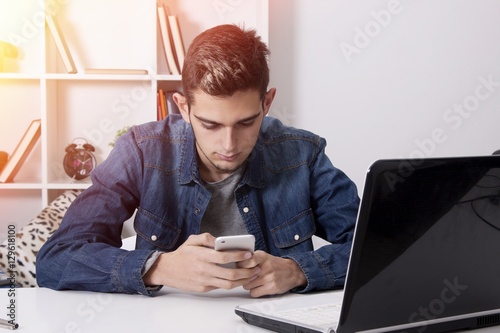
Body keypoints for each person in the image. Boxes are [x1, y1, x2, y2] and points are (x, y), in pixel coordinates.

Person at [36, 24, 359, 297]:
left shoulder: (303, 154)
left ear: (267, 103)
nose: (229, 145)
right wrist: (159, 267)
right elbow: (56, 258)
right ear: (183, 107)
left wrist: (297, 271)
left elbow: (378, 247)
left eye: (246, 122)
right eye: (211, 125)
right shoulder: (142, 149)